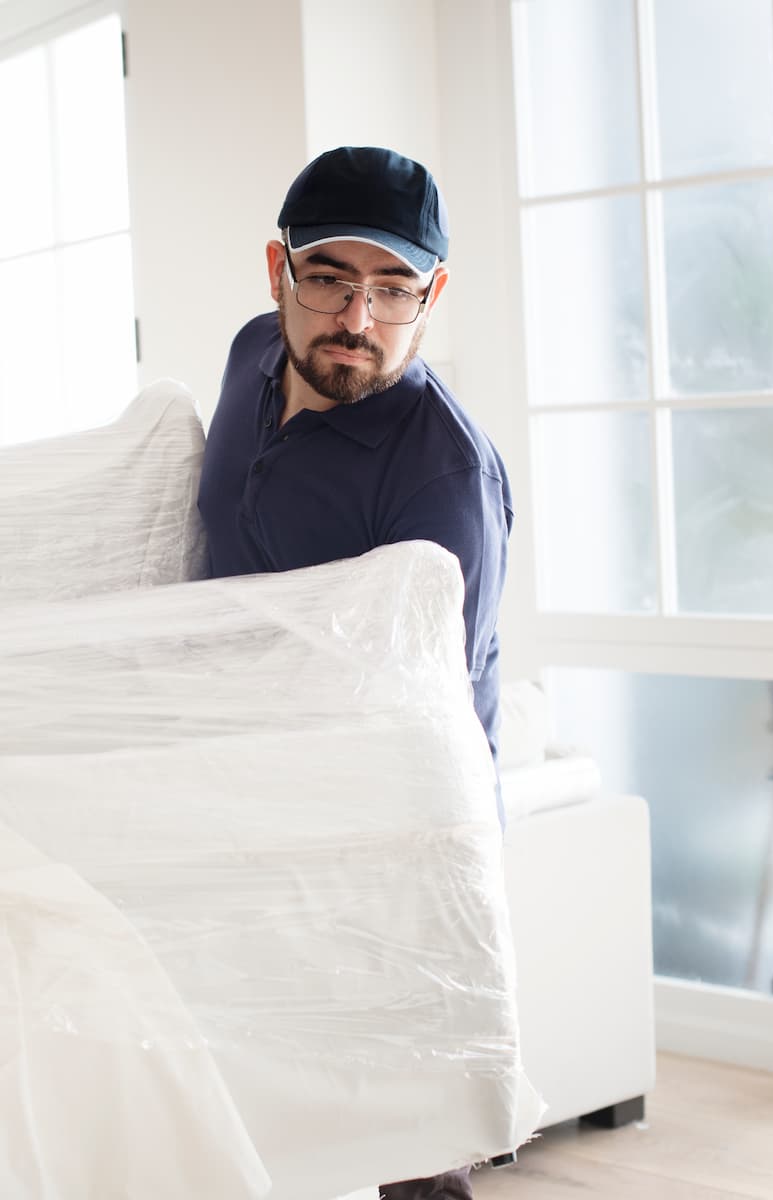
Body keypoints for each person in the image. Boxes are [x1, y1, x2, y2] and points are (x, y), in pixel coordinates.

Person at [197, 145, 512, 1200]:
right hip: (243, 813)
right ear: (277, 271)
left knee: (406, 1149)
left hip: (390, 848)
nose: (358, 320)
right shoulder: (252, 357)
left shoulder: (441, 474)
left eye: (394, 290)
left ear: (435, 296)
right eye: (330, 278)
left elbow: (423, 721)